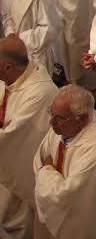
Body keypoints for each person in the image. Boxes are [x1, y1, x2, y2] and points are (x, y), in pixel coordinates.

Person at [33, 85, 96, 239]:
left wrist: (46, 171)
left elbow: (65, 195)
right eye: (51, 113)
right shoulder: (64, 127)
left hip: (84, 222)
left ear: (83, 118)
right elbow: (41, 157)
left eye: (59, 118)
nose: (52, 122)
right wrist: (46, 169)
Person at [0, 37, 57, 238]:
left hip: (20, 166)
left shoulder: (40, 92)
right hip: (7, 165)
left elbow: (15, 138)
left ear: (7, 67)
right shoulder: (13, 78)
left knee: (16, 218)